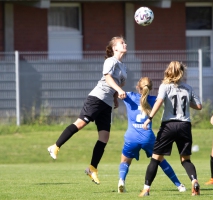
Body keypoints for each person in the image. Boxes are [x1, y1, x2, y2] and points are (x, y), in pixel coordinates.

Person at [47, 36, 128, 185]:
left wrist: (115, 98)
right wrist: (117, 90)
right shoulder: (110, 61)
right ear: (114, 48)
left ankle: (92, 169)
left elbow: (118, 84)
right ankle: (55, 146)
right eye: (122, 43)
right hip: (96, 98)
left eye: (124, 42)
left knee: (104, 138)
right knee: (80, 124)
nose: (125, 44)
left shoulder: (123, 66)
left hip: (107, 103)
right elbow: (108, 78)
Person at [138, 61, 202, 197]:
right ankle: (194, 181)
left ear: (168, 71)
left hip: (168, 126)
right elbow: (199, 106)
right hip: (185, 125)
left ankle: (146, 189)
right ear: (182, 72)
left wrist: (149, 118)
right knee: (186, 160)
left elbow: (159, 102)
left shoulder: (164, 87)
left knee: (155, 159)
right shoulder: (188, 88)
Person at [118, 77, 186, 193]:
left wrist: (121, 85)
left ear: (138, 87)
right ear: (151, 88)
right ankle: (179, 186)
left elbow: (116, 90)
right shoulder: (154, 100)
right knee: (161, 160)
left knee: (125, 161)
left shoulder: (129, 96)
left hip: (131, 136)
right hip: (148, 137)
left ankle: (121, 181)